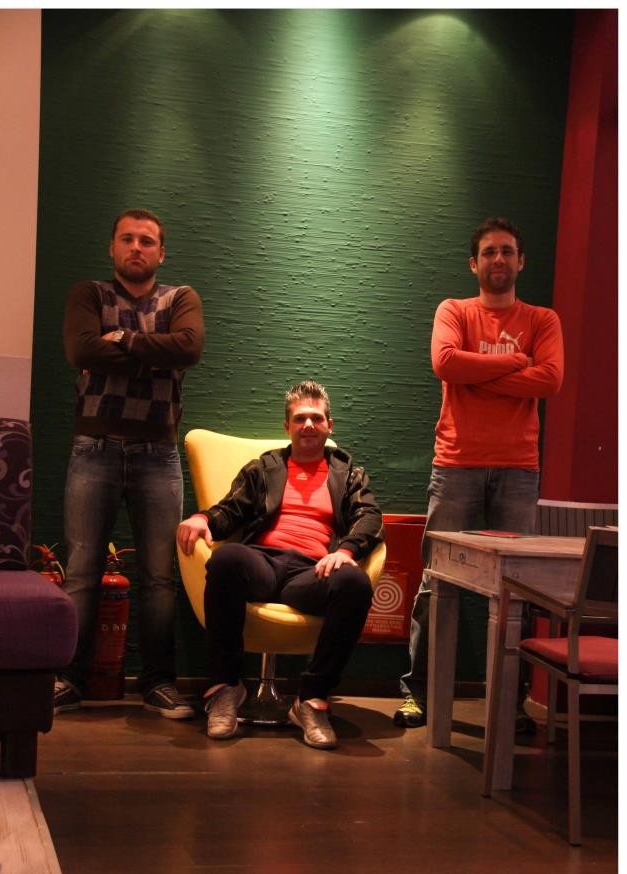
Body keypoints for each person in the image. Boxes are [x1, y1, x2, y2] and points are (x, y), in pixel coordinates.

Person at [394, 217, 564, 728]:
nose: (498, 259)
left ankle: (508, 706)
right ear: (474, 263)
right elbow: (446, 364)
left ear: (521, 261)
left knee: (517, 592)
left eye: (507, 251)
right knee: (435, 585)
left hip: (518, 470)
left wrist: (479, 375)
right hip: (456, 464)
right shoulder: (454, 310)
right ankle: (417, 693)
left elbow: (550, 380)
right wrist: (515, 363)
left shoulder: (543, 320)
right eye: (489, 252)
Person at [176, 380, 384, 749]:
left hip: (311, 571)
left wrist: (346, 551)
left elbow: (369, 517)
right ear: (287, 426)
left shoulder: (348, 471)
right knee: (226, 558)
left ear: (329, 425)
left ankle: (311, 700)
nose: (308, 424)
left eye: (316, 418)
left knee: (355, 584)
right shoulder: (265, 467)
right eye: (300, 418)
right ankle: (226, 688)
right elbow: (232, 508)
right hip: (263, 562)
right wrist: (203, 518)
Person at [54, 208, 205, 718]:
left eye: (146, 241)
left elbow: (189, 348)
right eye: (126, 239)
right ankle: (69, 679)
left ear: (161, 252)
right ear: (112, 248)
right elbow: (81, 351)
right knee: (81, 571)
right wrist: (154, 354)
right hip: (94, 448)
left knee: (160, 576)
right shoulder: (89, 294)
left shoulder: (180, 298)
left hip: (157, 455)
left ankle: (158, 683)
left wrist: (122, 340)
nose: (135, 247)